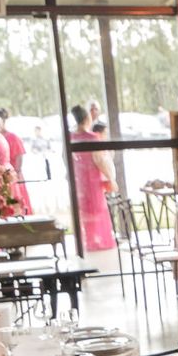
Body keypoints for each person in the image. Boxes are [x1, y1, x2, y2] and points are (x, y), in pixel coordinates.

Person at [69, 102, 115, 251]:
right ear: (87, 118)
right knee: (96, 208)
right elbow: (99, 160)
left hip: (78, 177)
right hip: (92, 178)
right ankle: (97, 240)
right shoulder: (92, 137)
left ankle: (88, 240)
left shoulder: (71, 136)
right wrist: (110, 177)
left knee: (84, 210)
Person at [0, 107, 32, 215]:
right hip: (0, 176)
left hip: (12, 175)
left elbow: (19, 157)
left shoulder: (12, 137)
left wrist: (16, 172)